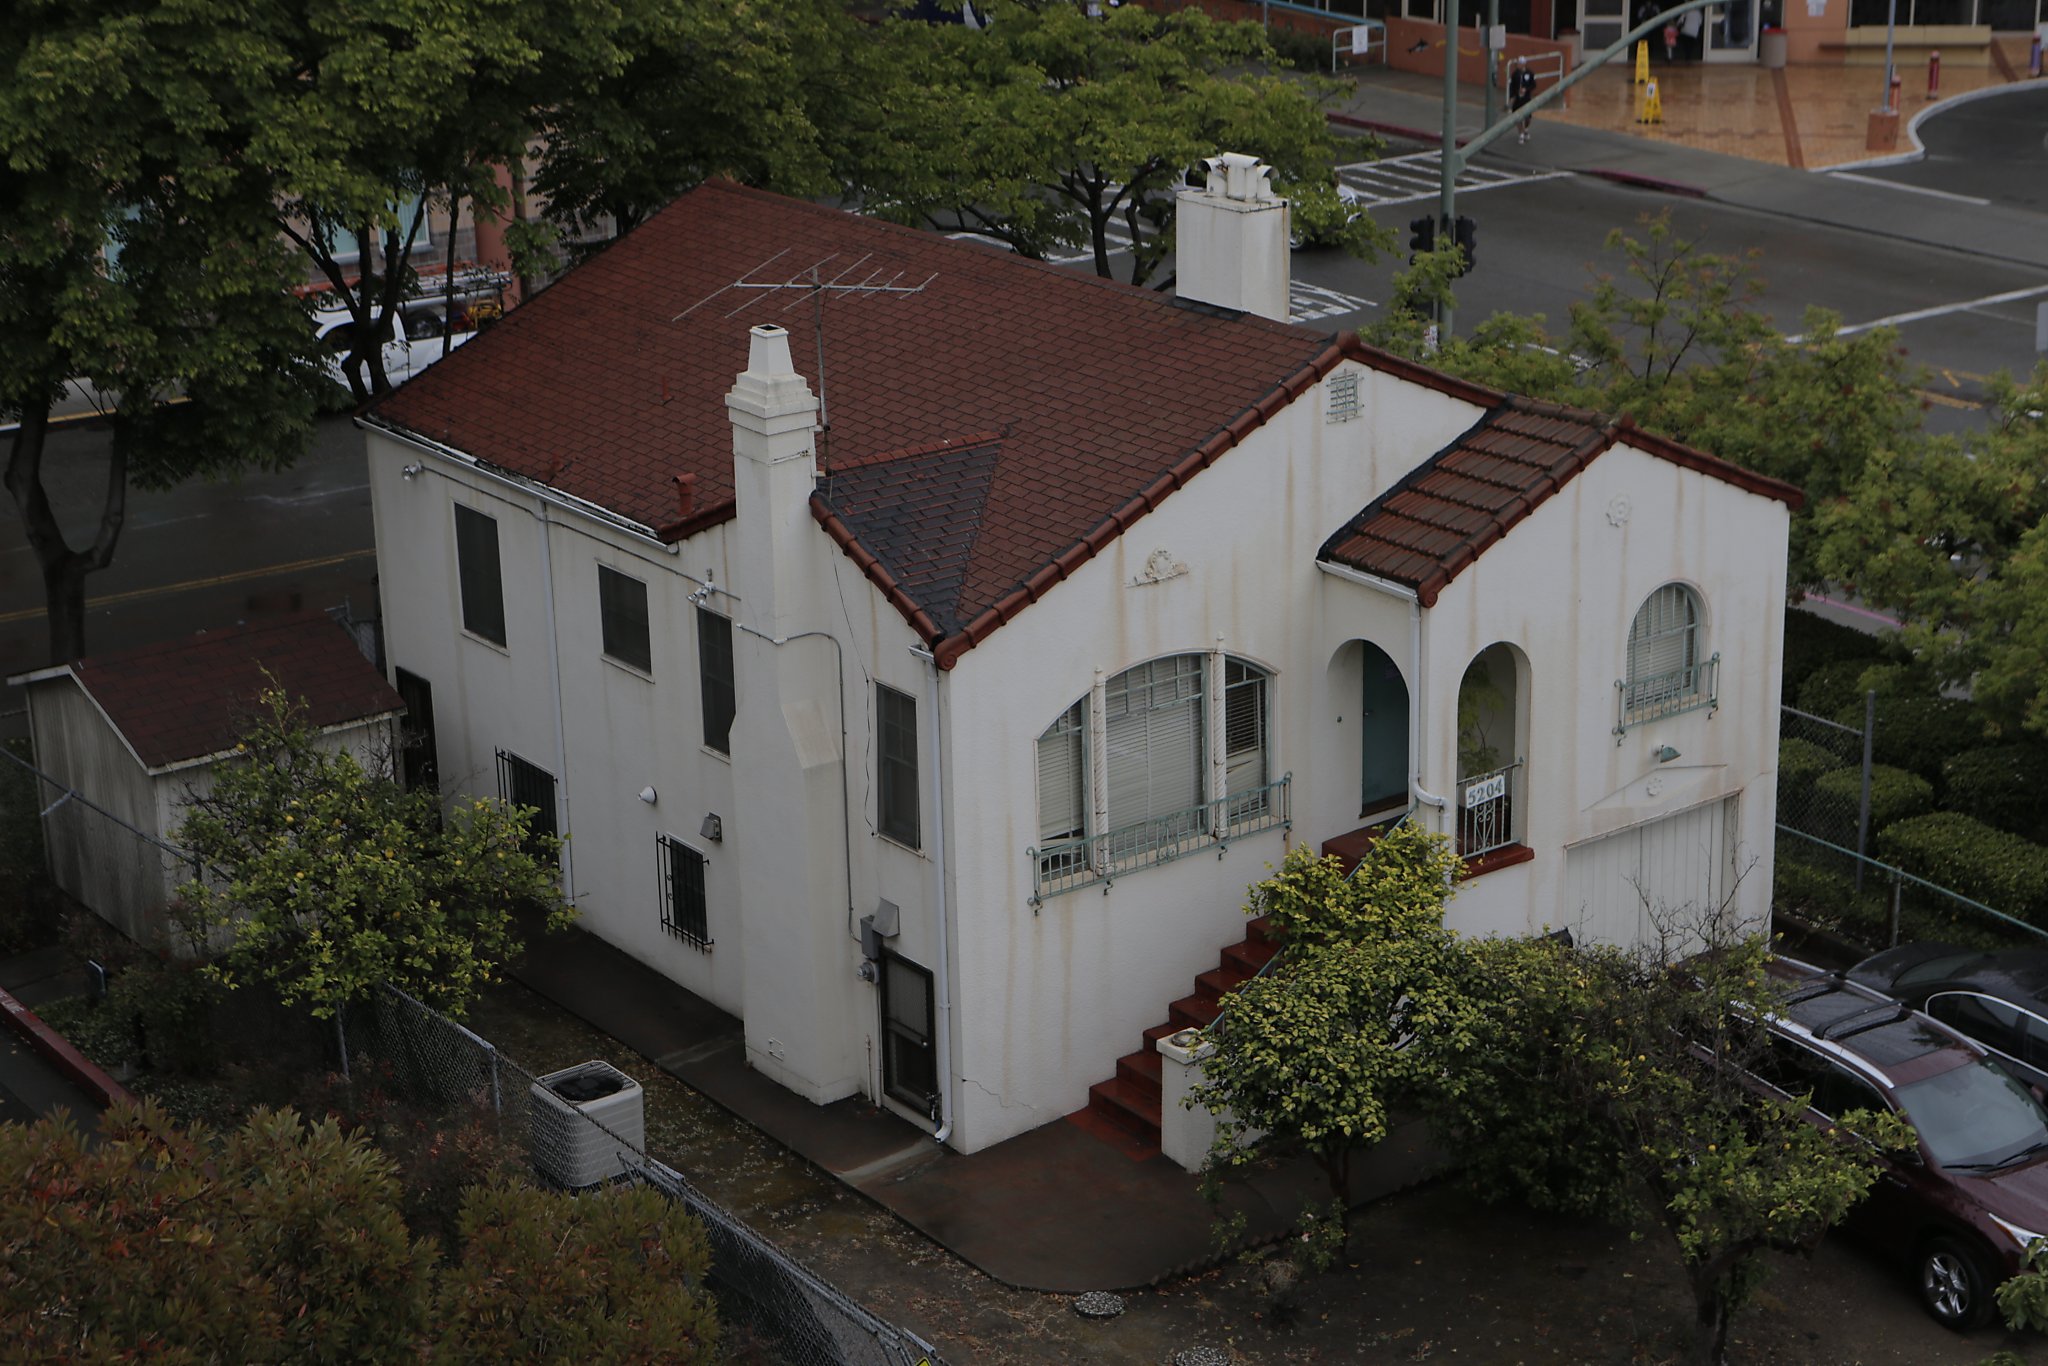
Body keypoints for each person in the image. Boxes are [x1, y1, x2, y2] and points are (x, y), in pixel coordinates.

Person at [1509, 58, 1538, 143]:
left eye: (1520, 63)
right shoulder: (1515, 74)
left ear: (1524, 64)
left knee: (1527, 117)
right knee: (1517, 116)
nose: (1518, 65)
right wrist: (1512, 96)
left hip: (1526, 98)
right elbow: (1512, 86)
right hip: (1518, 98)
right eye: (1518, 63)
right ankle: (1521, 133)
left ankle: (1526, 129)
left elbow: (1533, 85)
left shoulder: (1530, 73)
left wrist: (1526, 89)